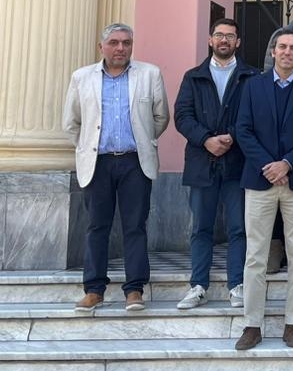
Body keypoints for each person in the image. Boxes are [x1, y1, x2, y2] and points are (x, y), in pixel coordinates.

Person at [63, 23, 170, 312]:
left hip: (135, 161)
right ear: (102, 47)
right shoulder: (82, 77)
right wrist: (90, 145)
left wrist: (142, 141)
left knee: (135, 226)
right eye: (114, 42)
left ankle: (134, 289)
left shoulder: (149, 75)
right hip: (98, 162)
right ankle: (94, 289)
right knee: (97, 226)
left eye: (126, 42)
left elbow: (160, 118)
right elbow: (72, 123)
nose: (120, 48)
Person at [233, 29, 293, 350]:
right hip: (259, 180)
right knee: (255, 255)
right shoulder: (252, 86)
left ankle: (292, 323)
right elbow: (242, 130)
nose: (287, 52)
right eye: (282, 47)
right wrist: (269, 166)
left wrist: (286, 164)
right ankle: (251, 325)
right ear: (273, 51)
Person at [173, 19, 257, 311]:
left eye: (230, 36)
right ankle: (198, 286)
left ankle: (237, 285)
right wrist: (206, 139)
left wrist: (232, 137)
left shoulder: (251, 76)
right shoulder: (193, 77)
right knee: (201, 228)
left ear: (237, 42)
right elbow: (182, 116)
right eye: (219, 35)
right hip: (201, 161)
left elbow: (254, 114)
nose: (224, 40)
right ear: (210, 40)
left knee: (238, 228)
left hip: (237, 163)